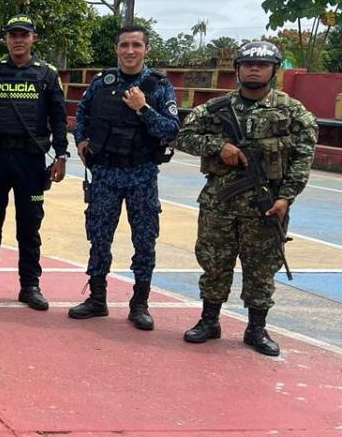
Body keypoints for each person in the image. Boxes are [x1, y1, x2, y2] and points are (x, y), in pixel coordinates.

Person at [174, 41, 318, 357]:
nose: (255, 69)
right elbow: (182, 136)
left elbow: (304, 157)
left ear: (274, 70)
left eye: (263, 64)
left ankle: (256, 329)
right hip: (219, 204)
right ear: (238, 69)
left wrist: (286, 198)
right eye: (248, 64)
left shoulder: (292, 112)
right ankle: (209, 321)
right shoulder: (214, 108)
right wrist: (217, 147)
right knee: (214, 262)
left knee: (261, 268)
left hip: (267, 205)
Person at [69, 25, 181, 329]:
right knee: (99, 237)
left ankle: (140, 304)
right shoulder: (101, 82)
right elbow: (82, 115)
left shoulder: (158, 86)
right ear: (117, 48)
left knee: (144, 240)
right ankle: (97, 299)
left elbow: (171, 130)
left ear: (146, 49)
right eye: (124, 45)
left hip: (142, 175)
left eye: (136, 45)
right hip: (105, 173)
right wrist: (80, 140)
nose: (129, 51)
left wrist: (143, 108)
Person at [0, 15, 68, 311]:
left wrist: (62, 154)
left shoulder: (47, 74)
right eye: (13, 35)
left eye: (24, 35)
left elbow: (59, 118)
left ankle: (30, 285)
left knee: (29, 225)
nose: (18, 40)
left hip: (31, 161)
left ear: (33, 38)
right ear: (6, 39)